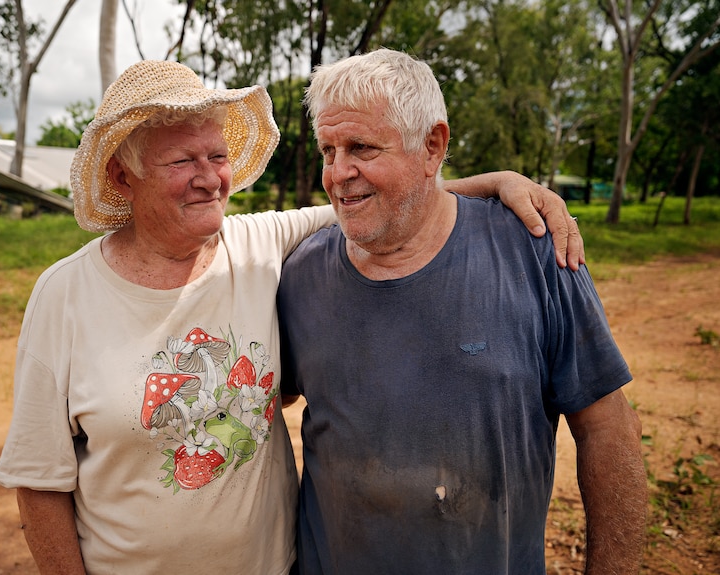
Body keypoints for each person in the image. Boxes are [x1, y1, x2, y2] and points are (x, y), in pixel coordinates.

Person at [0, 59, 583, 574]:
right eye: (180, 161)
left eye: (217, 156)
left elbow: (381, 192)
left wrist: (501, 183)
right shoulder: (64, 295)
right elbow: (41, 482)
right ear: (124, 174)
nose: (208, 177)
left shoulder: (259, 245)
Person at [277, 48, 646, 575]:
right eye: (327, 150)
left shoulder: (533, 250)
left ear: (432, 146)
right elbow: (270, 402)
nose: (338, 173)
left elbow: (607, 429)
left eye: (360, 147)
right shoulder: (301, 274)